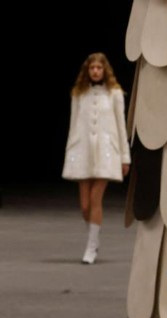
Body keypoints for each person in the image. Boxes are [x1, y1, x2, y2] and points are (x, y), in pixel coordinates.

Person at [62, 52, 131, 264]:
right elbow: (73, 126)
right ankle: (94, 234)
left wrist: (124, 157)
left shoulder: (115, 94)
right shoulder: (78, 94)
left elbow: (121, 126)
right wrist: (70, 154)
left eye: (99, 68)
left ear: (104, 70)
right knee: (84, 205)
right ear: (87, 70)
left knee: (95, 200)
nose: (95, 71)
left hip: (106, 152)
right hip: (82, 151)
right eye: (92, 68)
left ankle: (90, 248)